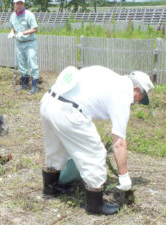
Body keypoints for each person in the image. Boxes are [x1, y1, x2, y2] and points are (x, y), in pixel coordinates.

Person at [40, 65, 154, 215]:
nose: (136, 102)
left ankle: (51, 189)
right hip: (68, 111)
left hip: (48, 102)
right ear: (137, 89)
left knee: (56, 148)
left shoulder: (109, 76)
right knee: (95, 154)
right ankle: (95, 205)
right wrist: (124, 176)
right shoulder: (123, 95)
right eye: (140, 99)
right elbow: (119, 143)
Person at [8, 0, 39, 94]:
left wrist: (23, 33)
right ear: (14, 5)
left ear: (24, 4)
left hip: (30, 43)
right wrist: (12, 32)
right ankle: (24, 85)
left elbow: (35, 28)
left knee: (33, 63)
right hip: (19, 43)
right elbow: (12, 26)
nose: (19, 5)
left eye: (21, 3)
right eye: (17, 3)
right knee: (21, 65)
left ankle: (34, 87)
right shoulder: (13, 16)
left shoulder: (29, 15)